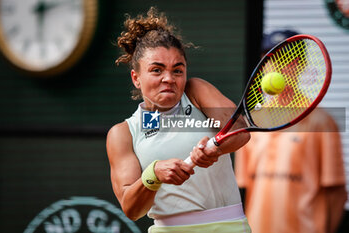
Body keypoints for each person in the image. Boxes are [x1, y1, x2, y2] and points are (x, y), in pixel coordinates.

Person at [106, 7, 252, 233]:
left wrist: (216, 150)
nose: (169, 79)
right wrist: (152, 174)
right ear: (136, 78)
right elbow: (131, 209)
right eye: (157, 70)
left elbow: (240, 131)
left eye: (177, 70)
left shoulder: (196, 91)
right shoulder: (123, 133)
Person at [234, 29, 347, 233]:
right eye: (269, 58)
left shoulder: (322, 122)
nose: (278, 66)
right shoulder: (252, 121)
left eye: (288, 59)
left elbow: (336, 192)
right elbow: (242, 190)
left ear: (301, 64)